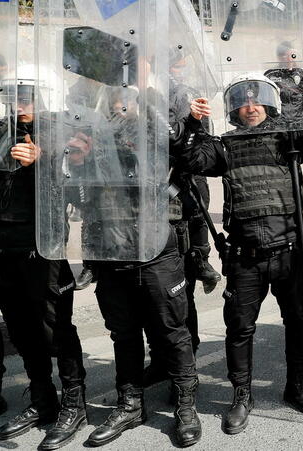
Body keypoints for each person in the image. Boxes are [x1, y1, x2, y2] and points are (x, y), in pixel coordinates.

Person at [179, 73, 303, 434]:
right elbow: (191, 160)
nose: (250, 108)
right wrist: (194, 120)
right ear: (235, 108)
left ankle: (296, 385)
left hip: (290, 251)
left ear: (268, 103)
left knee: (297, 320)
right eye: (243, 101)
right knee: (239, 328)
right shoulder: (226, 145)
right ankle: (242, 395)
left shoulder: (287, 138)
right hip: (245, 256)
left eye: (256, 100)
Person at [0, 70, 89, 449]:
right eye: (14, 95)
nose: (20, 103)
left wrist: (42, 161)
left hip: (39, 247)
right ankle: (42, 397)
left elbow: (79, 183)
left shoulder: (62, 131)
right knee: (21, 328)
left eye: (27, 95)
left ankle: (74, 403)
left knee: (53, 327)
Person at [71, 85, 202, 448]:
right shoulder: (94, 142)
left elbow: (185, 147)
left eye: (125, 106)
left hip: (156, 251)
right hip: (111, 253)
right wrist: (77, 164)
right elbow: (74, 197)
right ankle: (130, 405)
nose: (119, 112)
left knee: (172, 332)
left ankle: (186, 406)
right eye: (113, 108)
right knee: (123, 335)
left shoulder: (158, 139)